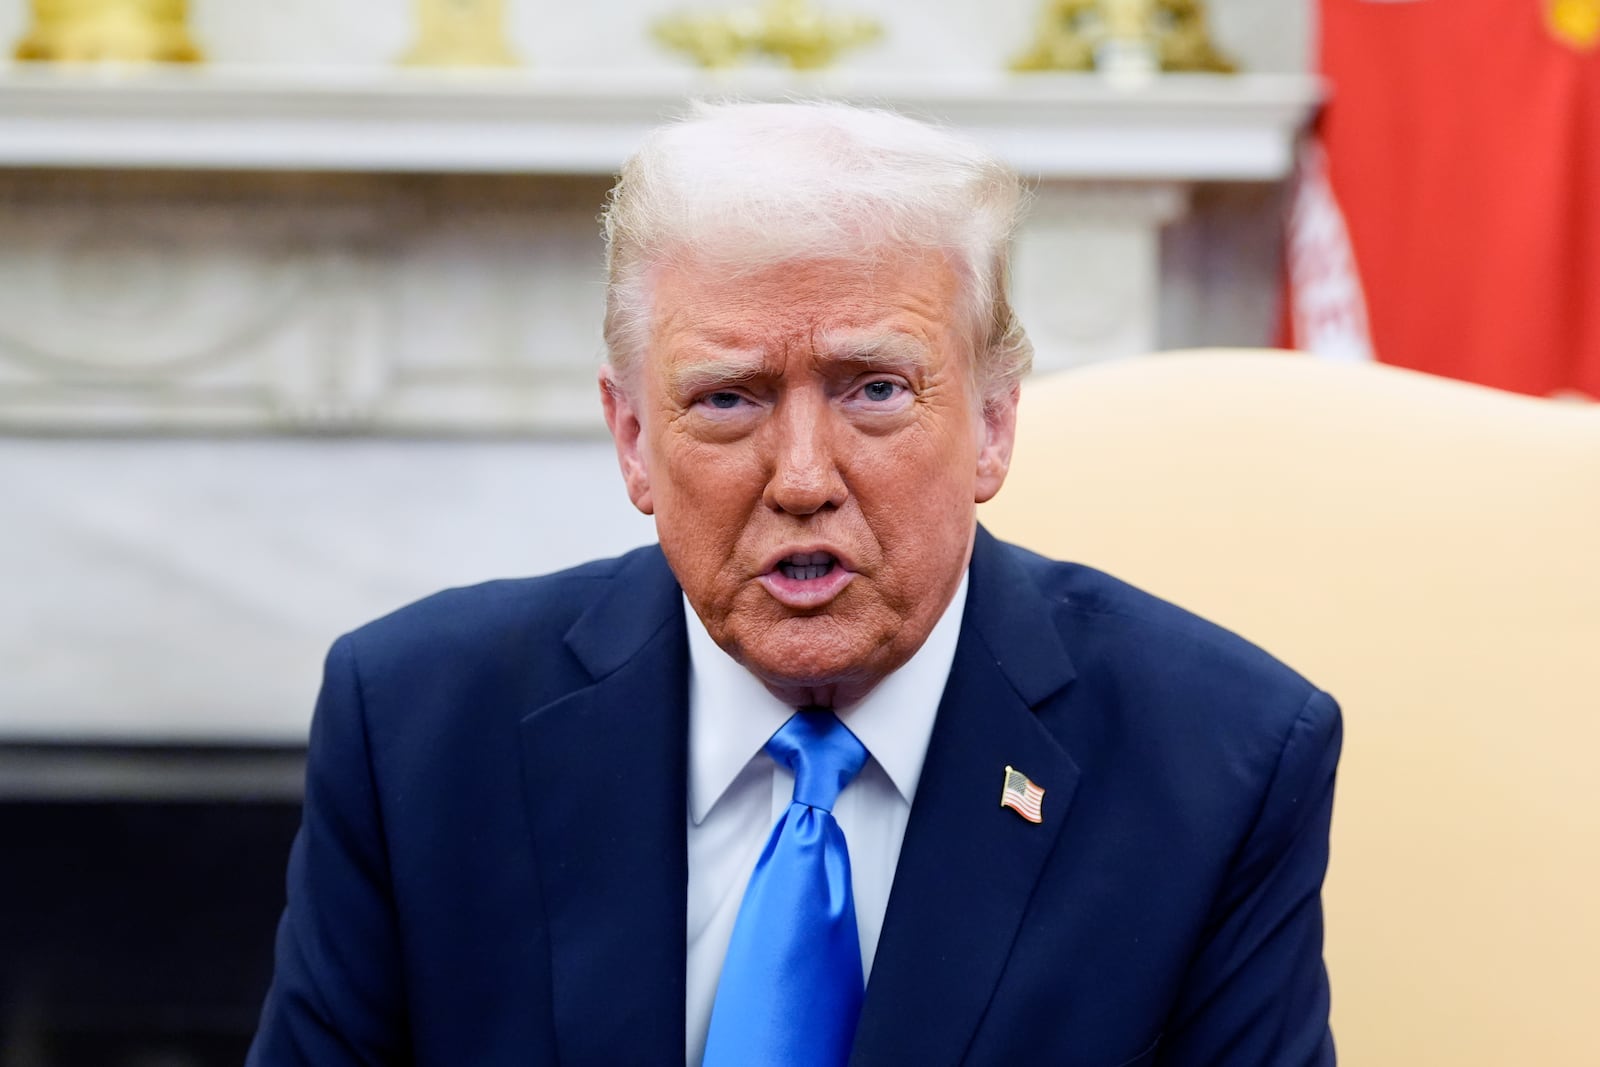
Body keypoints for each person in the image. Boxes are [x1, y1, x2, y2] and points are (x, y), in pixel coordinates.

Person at [247, 101, 1341, 1067]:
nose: (804, 478)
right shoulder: (418, 725)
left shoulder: (1218, 756)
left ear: (993, 425)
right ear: (632, 436)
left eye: (874, 388)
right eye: (728, 397)